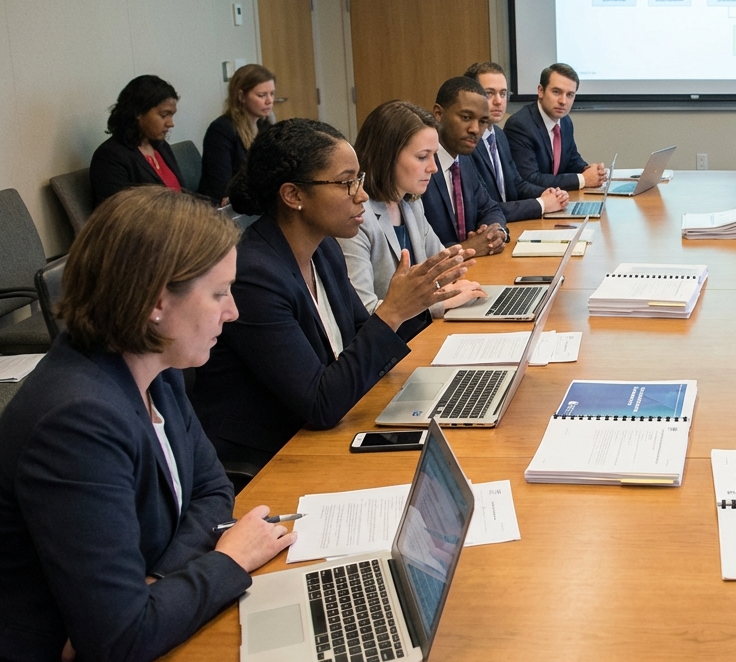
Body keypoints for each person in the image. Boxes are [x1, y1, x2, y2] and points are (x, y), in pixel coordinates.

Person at [0, 187, 295, 662]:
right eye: (219, 293)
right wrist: (228, 561)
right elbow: (120, 639)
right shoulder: (77, 421)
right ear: (157, 301)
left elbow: (211, 488)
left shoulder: (156, 368)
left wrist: (157, 582)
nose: (233, 311)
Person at [192, 119, 466, 471]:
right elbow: (319, 404)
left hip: (326, 432)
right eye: (346, 182)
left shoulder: (324, 251)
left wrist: (418, 307)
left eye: (359, 180)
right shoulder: (254, 277)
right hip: (272, 459)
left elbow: (358, 340)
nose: (362, 195)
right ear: (293, 195)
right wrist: (394, 312)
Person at [339, 99, 486, 316]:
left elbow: (441, 270)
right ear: (386, 156)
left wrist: (455, 279)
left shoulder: (411, 204)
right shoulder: (355, 218)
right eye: (422, 157)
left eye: (433, 155)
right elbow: (363, 311)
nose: (434, 168)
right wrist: (440, 304)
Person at [465, 61, 569, 220]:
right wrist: (542, 204)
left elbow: (517, 183)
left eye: (503, 93)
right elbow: (485, 208)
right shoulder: (466, 144)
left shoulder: (498, 135)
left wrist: (545, 193)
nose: (499, 101)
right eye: (489, 93)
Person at [425, 76, 509, 256]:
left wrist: (495, 233)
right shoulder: (423, 165)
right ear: (438, 114)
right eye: (466, 117)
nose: (475, 129)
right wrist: (468, 248)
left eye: (482, 121)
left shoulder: (463, 159)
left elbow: (490, 208)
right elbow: (419, 248)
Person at [503, 63, 607, 190]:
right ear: (541, 91)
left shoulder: (565, 121)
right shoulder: (520, 126)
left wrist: (590, 170)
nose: (563, 101)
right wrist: (583, 179)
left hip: (557, 199)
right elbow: (529, 179)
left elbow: (571, 159)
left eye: (570, 95)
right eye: (557, 92)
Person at [90, 75, 186, 205]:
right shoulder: (110, 157)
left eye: (171, 115)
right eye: (164, 115)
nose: (171, 123)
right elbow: (120, 214)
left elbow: (182, 194)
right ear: (138, 113)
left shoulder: (161, 147)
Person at [200, 63, 275, 202]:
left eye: (272, 94)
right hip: (223, 209)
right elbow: (222, 187)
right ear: (241, 96)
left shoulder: (265, 125)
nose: (269, 101)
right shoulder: (221, 130)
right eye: (261, 95)